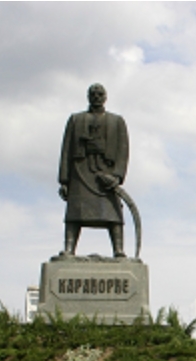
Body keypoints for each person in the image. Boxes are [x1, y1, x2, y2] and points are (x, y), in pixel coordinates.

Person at [59, 83, 130, 258]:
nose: (96, 97)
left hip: (106, 172)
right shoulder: (76, 120)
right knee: (75, 211)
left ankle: (118, 250)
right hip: (80, 171)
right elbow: (66, 150)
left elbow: (123, 151)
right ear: (88, 96)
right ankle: (69, 248)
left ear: (105, 97)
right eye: (93, 94)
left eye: (100, 94)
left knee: (113, 213)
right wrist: (64, 180)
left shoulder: (116, 121)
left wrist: (117, 176)